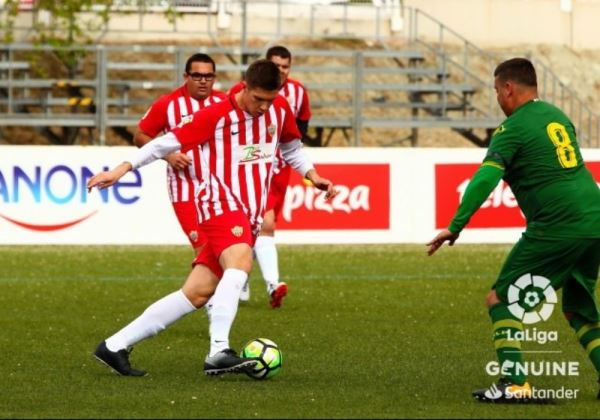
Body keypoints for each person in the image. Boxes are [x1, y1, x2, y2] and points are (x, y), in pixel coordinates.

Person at [88, 59, 337, 377]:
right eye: (257, 99)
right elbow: (164, 143)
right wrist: (122, 169)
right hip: (218, 205)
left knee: (196, 292)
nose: (263, 107)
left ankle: (113, 346)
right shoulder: (217, 114)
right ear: (244, 87)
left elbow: (290, 148)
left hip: (249, 214)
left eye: (269, 100)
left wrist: (313, 176)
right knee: (241, 264)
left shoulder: (280, 109)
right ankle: (218, 351)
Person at [427, 57, 600, 402]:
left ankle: (514, 382)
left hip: (558, 224)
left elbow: (485, 177)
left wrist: (455, 226)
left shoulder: (513, 128)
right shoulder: (557, 116)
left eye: (495, 91)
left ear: (508, 88)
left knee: (501, 298)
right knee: (578, 306)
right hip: (594, 218)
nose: (496, 98)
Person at [229, 45, 312, 308]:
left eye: (285, 67)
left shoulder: (297, 92)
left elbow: (301, 125)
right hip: (248, 167)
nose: (281, 72)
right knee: (264, 223)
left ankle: (242, 280)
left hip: (279, 169)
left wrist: (295, 155)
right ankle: (272, 283)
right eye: (276, 66)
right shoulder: (241, 91)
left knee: (260, 224)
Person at [135, 53, 226, 256]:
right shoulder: (168, 104)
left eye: (208, 76)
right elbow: (140, 136)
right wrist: (168, 156)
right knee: (203, 249)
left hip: (220, 188)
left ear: (215, 77)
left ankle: (230, 287)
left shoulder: (224, 102)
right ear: (186, 77)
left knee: (226, 246)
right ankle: (216, 287)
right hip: (185, 187)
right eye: (197, 76)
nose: (203, 81)